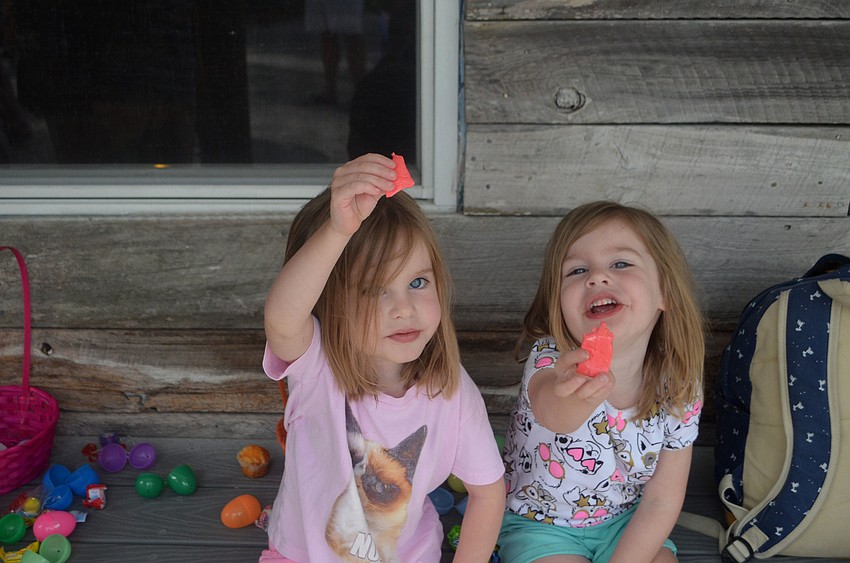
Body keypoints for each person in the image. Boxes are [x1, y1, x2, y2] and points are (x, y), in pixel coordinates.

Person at [260, 153, 506, 562]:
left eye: (417, 281)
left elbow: (488, 492)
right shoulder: (316, 367)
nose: (404, 308)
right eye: (374, 290)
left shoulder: (452, 389)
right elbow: (282, 318)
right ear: (325, 298)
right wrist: (338, 231)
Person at [499, 201, 705, 563]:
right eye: (577, 270)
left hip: (624, 522)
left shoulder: (679, 386)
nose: (596, 277)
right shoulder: (551, 359)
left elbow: (661, 500)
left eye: (621, 264)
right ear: (557, 304)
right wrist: (571, 395)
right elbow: (554, 412)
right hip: (539, 524)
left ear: (665, 293)